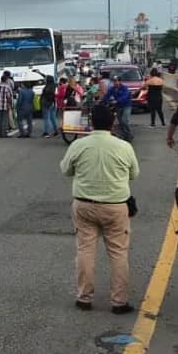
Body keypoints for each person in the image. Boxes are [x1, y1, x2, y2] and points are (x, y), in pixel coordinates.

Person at [59, 105, 141, 314]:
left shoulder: (79, 145)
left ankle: (84, 297)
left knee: (85, 250)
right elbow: (134, 174)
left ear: (91, 123)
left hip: (84, 204)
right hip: (115, 206)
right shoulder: (124, 146)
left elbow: (65, 169)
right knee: (118, 253)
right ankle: (119, 301)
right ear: (113, 122)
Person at [109, 75, 134, 140]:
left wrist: (117, 101)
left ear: (120, 81)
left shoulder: (124, 88)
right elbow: (107, 95)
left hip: (126, 106)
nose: (115, 83)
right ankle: (125, 135)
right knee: (120, 122)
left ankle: (129, 134)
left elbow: (125, 96)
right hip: (118, 107)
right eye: (114, 81)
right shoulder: (112, 89)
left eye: (116, 81)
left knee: (124, 121)